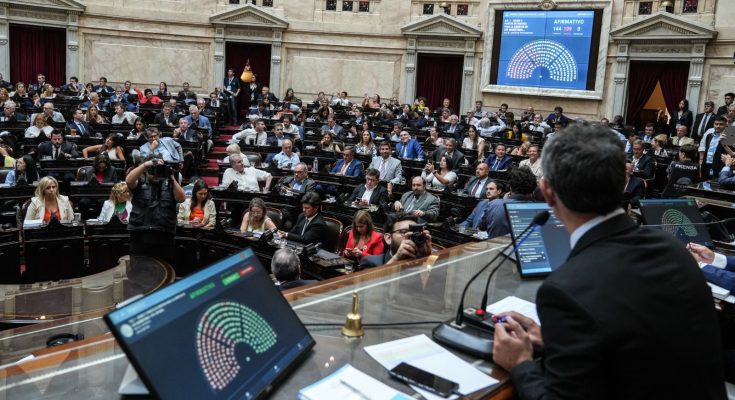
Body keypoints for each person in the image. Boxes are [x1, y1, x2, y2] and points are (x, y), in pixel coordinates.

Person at [491, 122, 724, 400]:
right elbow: (635, 343)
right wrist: (561, 341)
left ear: (547, 192)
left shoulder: (565, 290)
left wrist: (520, 363)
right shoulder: (674, 250)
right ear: (622, 181)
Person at [126, 157, 186, 263]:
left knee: (165, 270)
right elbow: (129, 181)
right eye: (152, 170)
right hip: (140, 237)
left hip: (164, 238)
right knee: (137, 270)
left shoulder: (170, 185)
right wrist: (145, 165)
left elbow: (181, 198)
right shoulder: (140, 184)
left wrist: (170, 175)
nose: (155, 173)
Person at [359, 212, 432, 268]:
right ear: (388, 238)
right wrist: (396, 258)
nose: (410, 237)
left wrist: (426, 258)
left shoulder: (423, 259)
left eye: (415, 232)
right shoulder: (371, 262)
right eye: (404, 232)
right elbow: (373, 283)